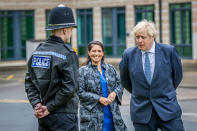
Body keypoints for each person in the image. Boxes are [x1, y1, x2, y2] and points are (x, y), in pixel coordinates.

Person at [119, 20, 185, 131]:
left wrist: (165, 91)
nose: (139, 41)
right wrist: (139, 92)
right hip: (141, 111)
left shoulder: (169, 51)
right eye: (137, 37)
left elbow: (177, 76)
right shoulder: (128, 55)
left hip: (167, 108)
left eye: (143, 37)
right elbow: (125, 80)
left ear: (152, 36)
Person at [25, 4, 79, 131]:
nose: (71, 33)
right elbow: (70, 88)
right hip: (64, 116)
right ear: (65, 30)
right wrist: (49, 108)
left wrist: (37, 104)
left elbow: (29, 82)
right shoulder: (68, 53)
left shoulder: (38, 51)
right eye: (71, 29)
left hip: (44, 117)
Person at [78, 41, 127, 131]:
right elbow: (80, 92)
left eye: (99, 51)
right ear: (89, 52)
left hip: (112, 113)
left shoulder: (111, 69)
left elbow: (120, 84)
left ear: (103, 53)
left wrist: (115, 92)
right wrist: (99, 98)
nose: (96, 54)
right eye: (94, 51)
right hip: (92, 117)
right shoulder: (82, 71)